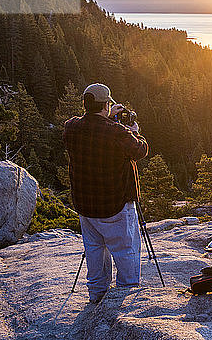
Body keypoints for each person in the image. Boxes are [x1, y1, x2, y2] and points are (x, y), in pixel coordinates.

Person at [63, 83, 148, 304]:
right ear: (106, 104)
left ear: (86, 104)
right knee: (125, 250)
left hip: (86, 207)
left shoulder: (71, 128)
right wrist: (135, 131)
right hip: (114, 205)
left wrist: (106, 117)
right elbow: (139, 150)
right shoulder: (117, 133)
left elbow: (91, 128)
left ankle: (97, 296)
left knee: (94, 253)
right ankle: (125, 296)